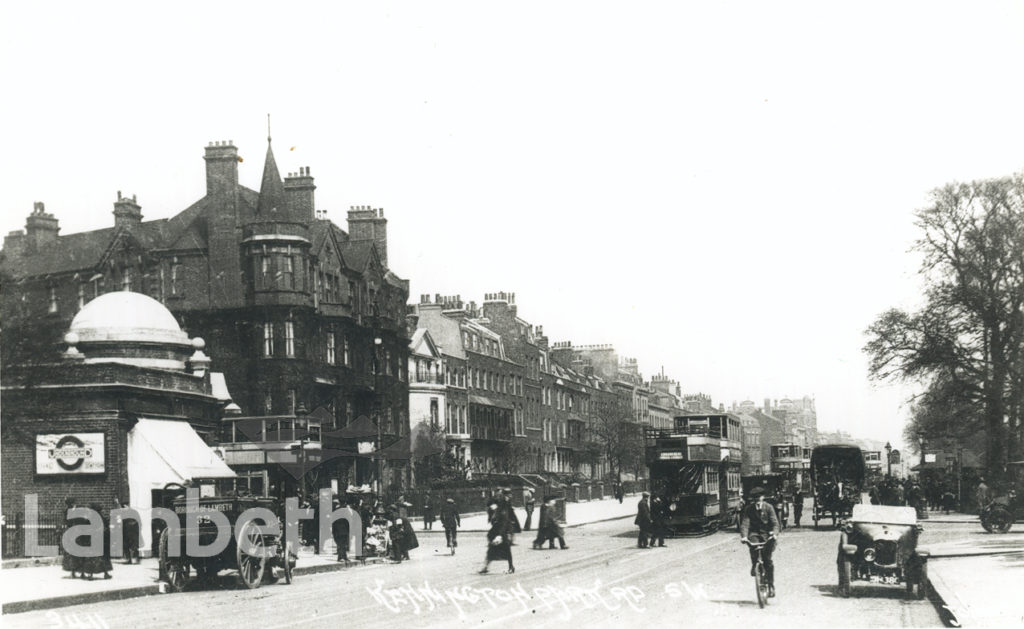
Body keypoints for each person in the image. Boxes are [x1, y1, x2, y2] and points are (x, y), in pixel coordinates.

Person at [740, 487, 779, 597]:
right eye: (755, 498)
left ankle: (771, 585)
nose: (757, 500)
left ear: (763, 497)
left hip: (767, 535)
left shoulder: (769, 507)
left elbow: (775, 523)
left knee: (768, 561)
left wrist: (774, 534)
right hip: (755, 534)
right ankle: (754, 565)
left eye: (759, 497)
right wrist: (744, 536)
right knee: (753, 546)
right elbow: (745, 524)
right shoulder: (749, 509)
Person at [479, 501, 514, 574]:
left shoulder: (502, 513)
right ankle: (485, 567)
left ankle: (511, 567)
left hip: (502, 534)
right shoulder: (494, 512)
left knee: (507, 551)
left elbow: (504, 524)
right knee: (490, 551)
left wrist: (500, 535)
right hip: (496, 534)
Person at [80, 503, 113, 580]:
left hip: (93, 540)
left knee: (92, 558)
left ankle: (90, 575)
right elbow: (106, 528)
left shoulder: (91, 518)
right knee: (103, 558)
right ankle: (105, 573)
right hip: (101, 540)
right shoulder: (102, 517)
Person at [61, 497, 83, 578]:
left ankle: (73, 572)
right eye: (74, 502)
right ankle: (79, 571)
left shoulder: (67, 511)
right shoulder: (72, 511)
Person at [332, 497, 350, 562]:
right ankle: (342, 557)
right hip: (344, 530)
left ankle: (342, 557)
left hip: (337, 530)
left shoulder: (336, 510)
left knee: (340, 544)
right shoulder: (346, 510)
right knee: (343, 544)